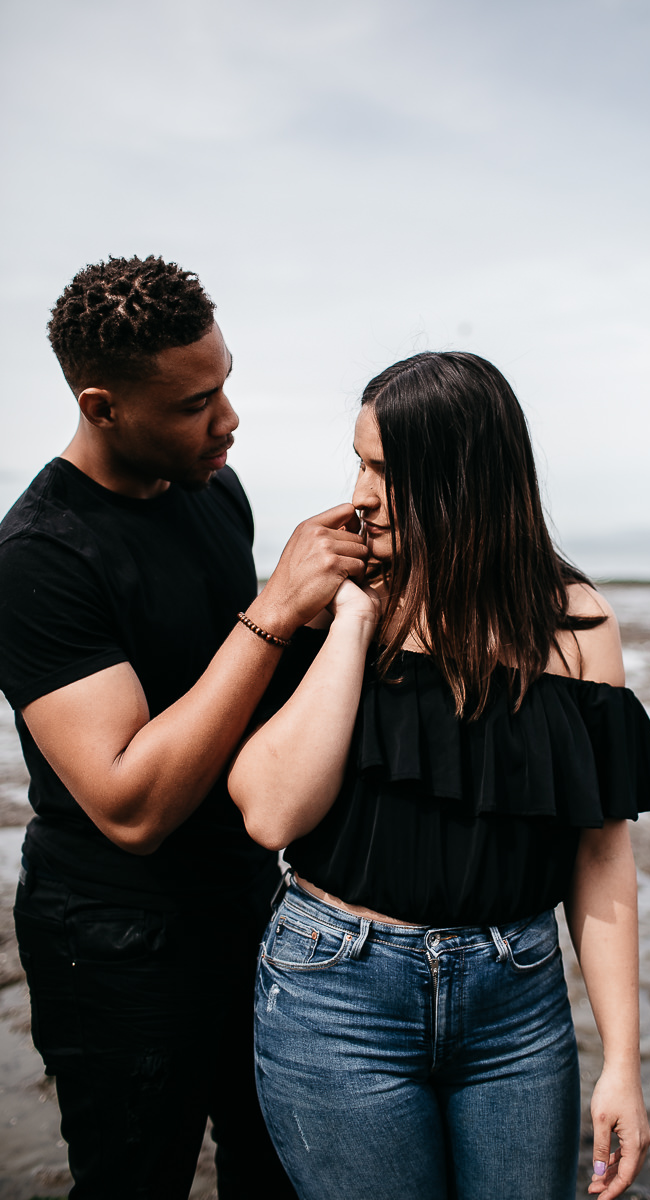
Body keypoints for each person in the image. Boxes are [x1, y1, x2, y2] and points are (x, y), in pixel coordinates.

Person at [228, 351, 650, 1200]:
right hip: (338, 997)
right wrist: (355, 620)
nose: (360, 494)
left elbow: (599, 853)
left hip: (516, 1009)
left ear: (461, 479)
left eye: (384, 470)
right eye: (358, 462)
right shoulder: (336, 598)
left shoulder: (578, 627)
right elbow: (271, 813)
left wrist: (622, 1063)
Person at [0, 255, 368, 1199]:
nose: (228, 420)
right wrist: (274, 609)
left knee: (279, 1173)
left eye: (226, 384)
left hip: (250, 899)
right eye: (195, 404)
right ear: (102, 406)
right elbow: (132, 806)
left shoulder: (214, 491)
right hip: (116, 940)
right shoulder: (39, 556)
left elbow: (236, 692)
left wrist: (341, 607)